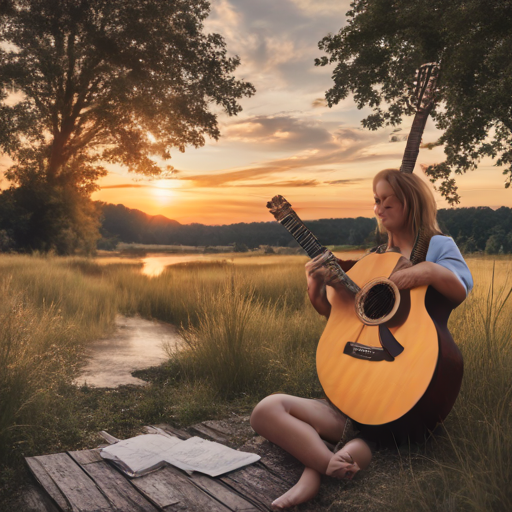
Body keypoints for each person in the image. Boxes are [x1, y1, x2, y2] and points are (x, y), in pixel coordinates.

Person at [250, 169, 473, 510]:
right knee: (266, 410)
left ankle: (319, 469)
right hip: (351, 396)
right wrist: (316, 288)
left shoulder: (437, 245)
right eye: (376, 201)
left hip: (405, 394)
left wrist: (423, 271)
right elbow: (341, 316)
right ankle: (327, 463)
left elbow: (460, 288)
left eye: (387, 201)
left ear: (410, 203)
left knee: (372, 435)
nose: (379, 208)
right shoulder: (373, 259)